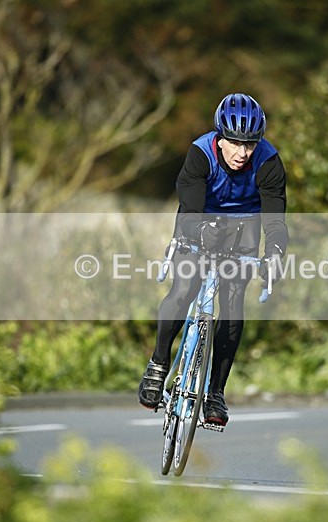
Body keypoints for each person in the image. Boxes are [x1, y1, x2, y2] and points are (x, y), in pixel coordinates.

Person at [138, 93, 288, 427]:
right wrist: (197, 234)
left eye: (250, 144)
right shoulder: (200, 153)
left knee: (233, 303)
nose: (242, 153)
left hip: (244, 228)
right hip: (198, 218)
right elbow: (190, 207)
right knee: (185, 287)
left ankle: (215, 392)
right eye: (235, 143)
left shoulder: (268, 162)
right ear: (220, 138)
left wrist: (275, 253)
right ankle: (159, 364)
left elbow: (275, 220)